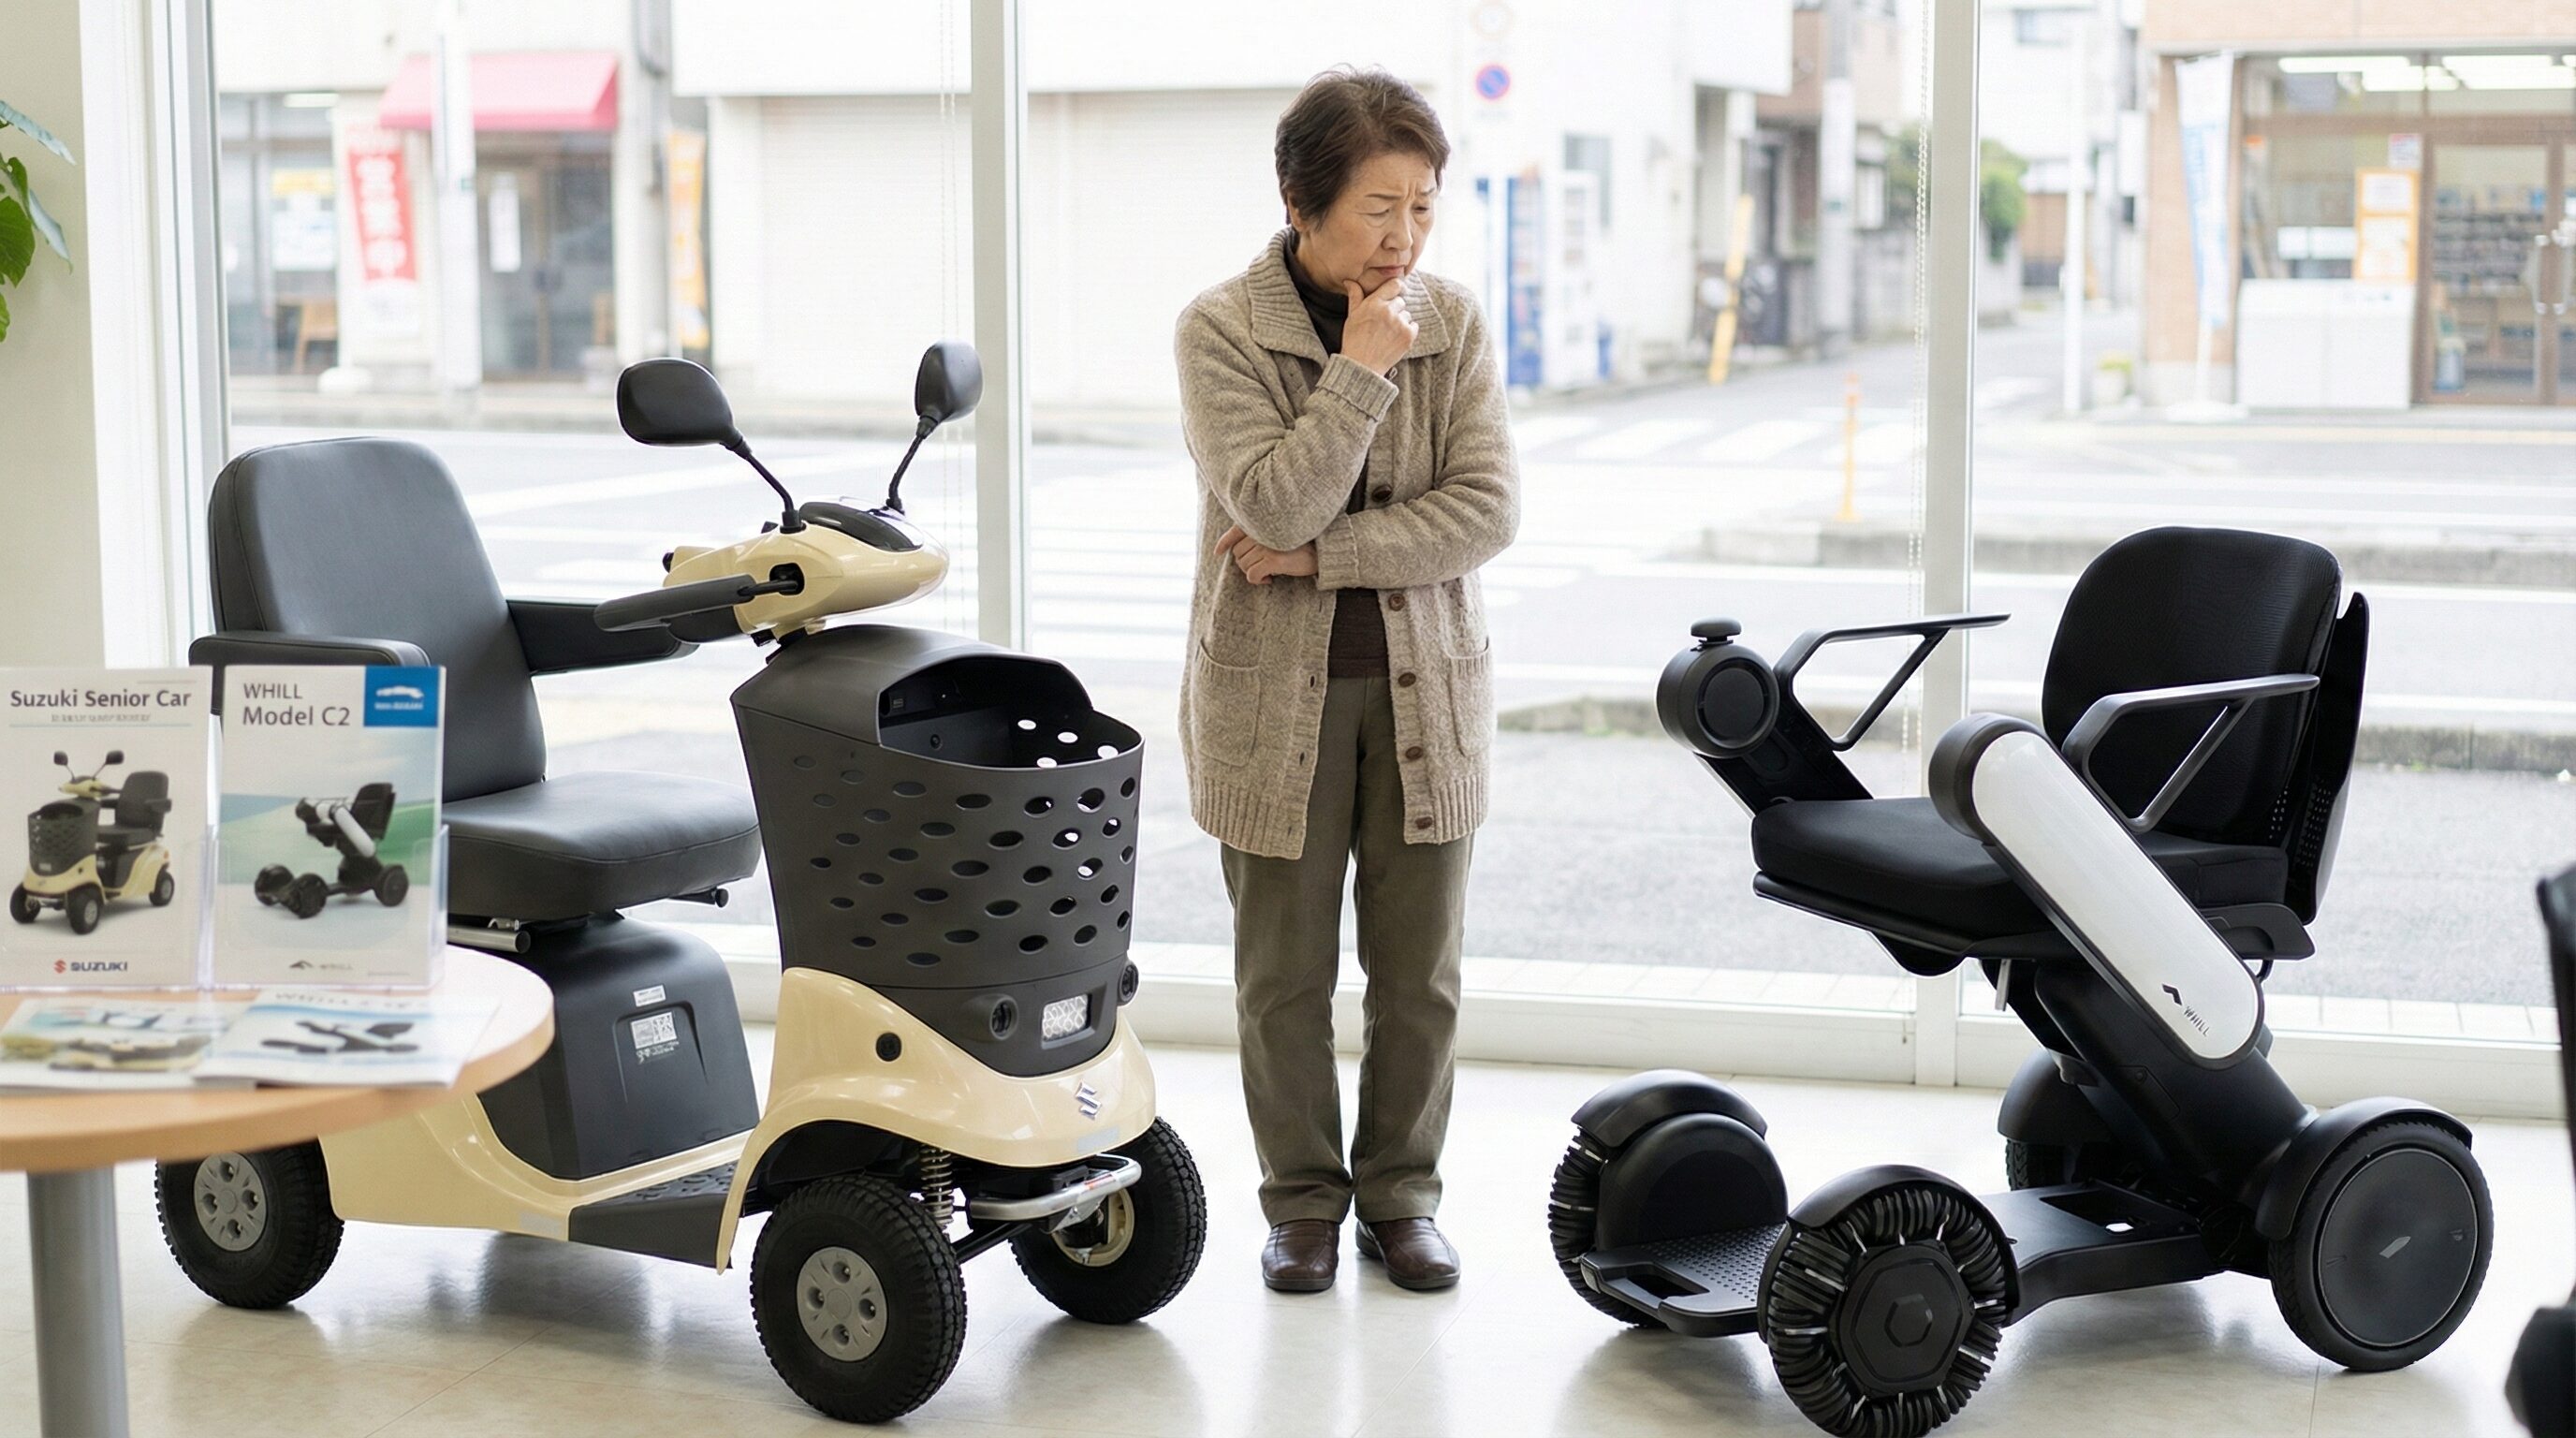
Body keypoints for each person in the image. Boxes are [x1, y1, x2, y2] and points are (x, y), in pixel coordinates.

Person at [1171, 66, 1518, 1295]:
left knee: (1420, 978)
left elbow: (1486, 511)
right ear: (1300, 202)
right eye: (1379, 208)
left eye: (1422, 207)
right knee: (1284, 979)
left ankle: (1404, 1197)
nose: (1403, 238)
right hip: (1273, 708)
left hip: (1430, 697)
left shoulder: (1456, 324)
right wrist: (1363, 368)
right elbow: (1269, 501)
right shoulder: (1221, 329)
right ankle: (1304, 1204)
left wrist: (1324, 559)